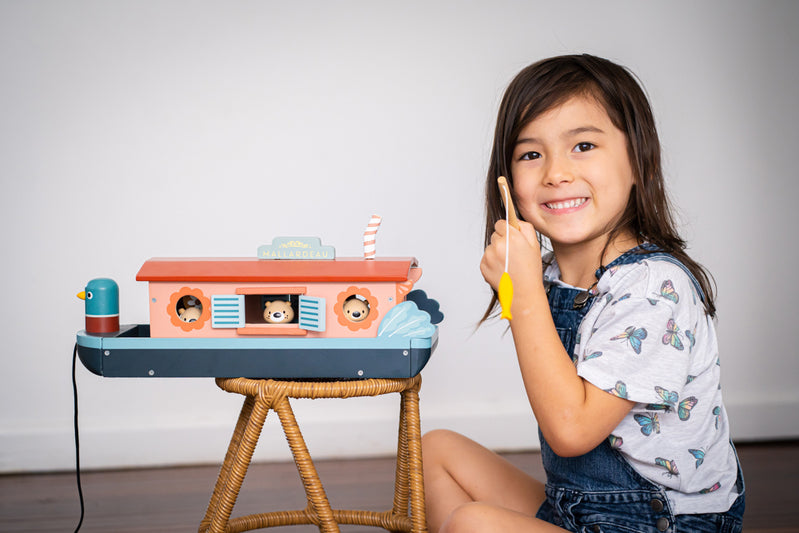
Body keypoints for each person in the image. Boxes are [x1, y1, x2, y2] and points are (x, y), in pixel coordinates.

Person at [422, 54, 745, 533]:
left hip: (660, 522)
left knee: (472, 523)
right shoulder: (548, 274)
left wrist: (523, 293)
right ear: (507, 182)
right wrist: (525, 286)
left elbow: (571, 431)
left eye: (584, 146)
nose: (555, 172)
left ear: (639, 162)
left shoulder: (653, 285)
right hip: (580, 507)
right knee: (435, 451)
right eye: (531, 154)